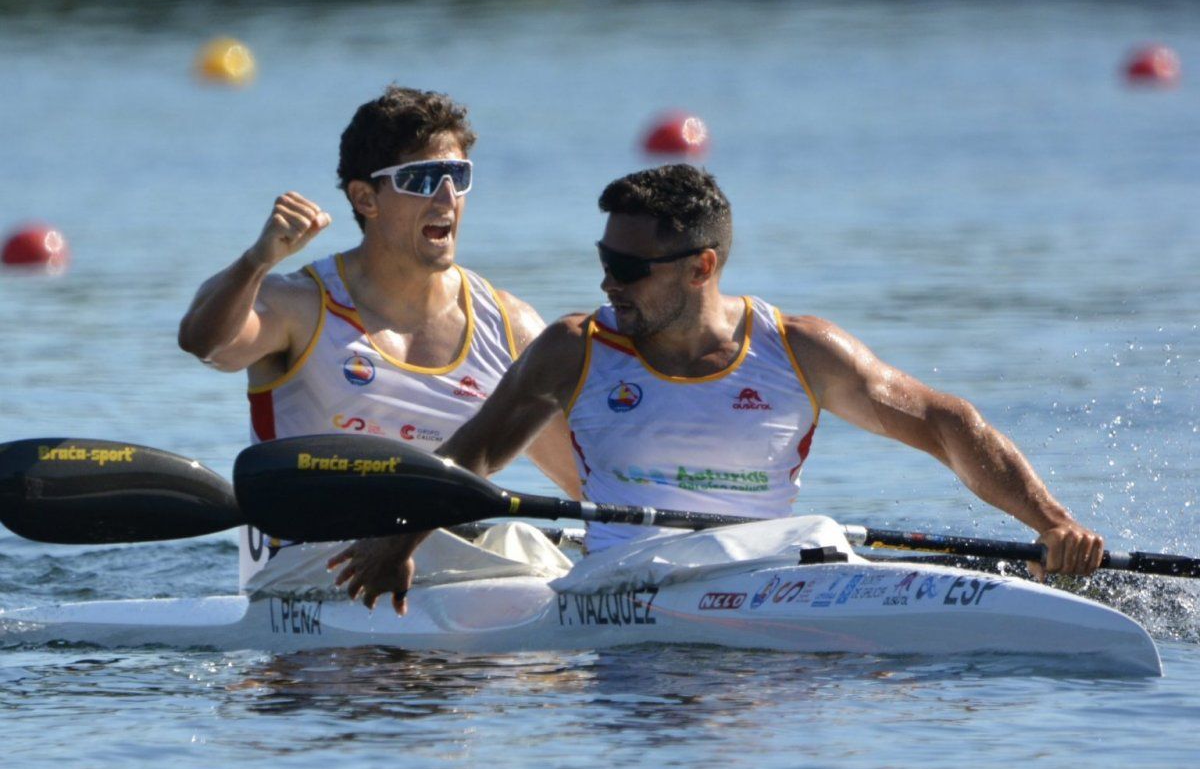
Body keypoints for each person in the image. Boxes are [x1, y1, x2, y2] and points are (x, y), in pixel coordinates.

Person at [329, 163, 1106, 613]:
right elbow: (468, 459)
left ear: (702, 267)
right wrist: (402, 537)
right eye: (605, 259)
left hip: (770, 578)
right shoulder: (575, 348)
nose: (608, 281)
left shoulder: (798, 347)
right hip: (621, 592)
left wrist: (1053, 522)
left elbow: (945, 422)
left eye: (630, 268)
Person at [178, 85, 579, 589]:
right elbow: (205, 343)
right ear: (365, 198)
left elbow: (584, 480)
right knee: (519, 560)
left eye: (458, 176)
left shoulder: (510, 325)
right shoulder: (298, 306)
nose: (446, 197)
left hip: (446, 569)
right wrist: (257, 262)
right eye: (422, 179)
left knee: (528, 546)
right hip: (309, 567)